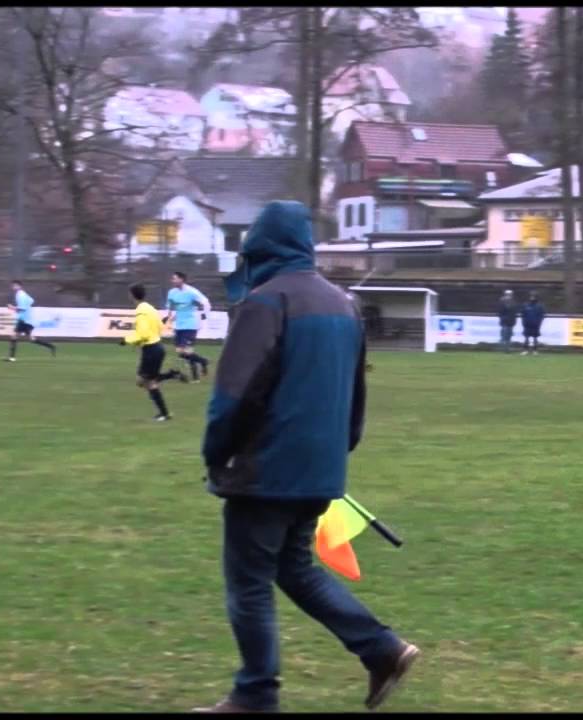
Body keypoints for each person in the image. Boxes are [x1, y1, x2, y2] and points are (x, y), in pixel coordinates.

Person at [197, 200, 418, 714]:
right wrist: (335, 456)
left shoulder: (264, 303)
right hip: (320, 470)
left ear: (259, 248)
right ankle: (382, 649)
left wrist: (216, 453)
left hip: (266, 471)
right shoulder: (344, 305)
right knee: (296, 570)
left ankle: (255, 695)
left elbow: (235, 394)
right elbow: (355, 398)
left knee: (248, 582)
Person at [120, 282, 186, 422]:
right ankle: (172, 375)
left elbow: (142, 334)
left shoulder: (141, 312)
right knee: (148, 381)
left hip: (150, 350)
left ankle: (164, 413)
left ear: (132, 295)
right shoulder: (150, 309)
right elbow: (160, 327)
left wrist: (126, 340)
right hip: (157, 348)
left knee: (146, 382)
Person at [165, 271, 212, 381]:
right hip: (179, 325)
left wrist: (204, 315)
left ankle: (196, 377)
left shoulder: (192, 292)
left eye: (175, 278)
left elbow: (206, 302)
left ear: (182, 279)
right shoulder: (171, 292)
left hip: (191, 324)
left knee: (187, 351)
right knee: (181, 352)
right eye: (172, 278)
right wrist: (171, 317)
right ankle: (203, 362)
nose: (173, 280)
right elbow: (171, 306)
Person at [5, 280, 57, 362]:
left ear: (19, 286)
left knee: (14, 336)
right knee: (31, 339)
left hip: (24, 320)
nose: (13, 287)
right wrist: (22, 308)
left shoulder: (20, 295)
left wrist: (12, 307)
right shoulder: (23, 294)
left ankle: (12, 358)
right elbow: (31, 301)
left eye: (14, 285)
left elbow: (22, 308)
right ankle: (51, 346)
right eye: (12, 285)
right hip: (27, 320)